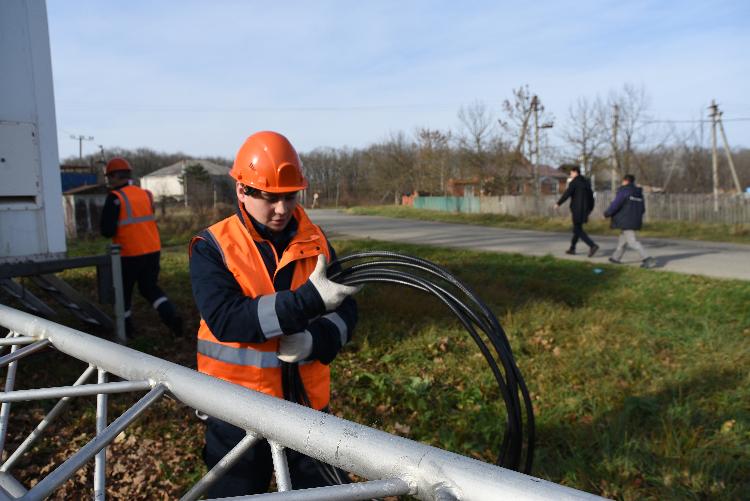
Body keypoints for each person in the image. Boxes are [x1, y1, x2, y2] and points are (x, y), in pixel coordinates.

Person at [189, 131, 360, 497]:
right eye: (270, 198)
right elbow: (226, 319)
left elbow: (346, 308)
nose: (282, 209)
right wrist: (307, 302)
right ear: (242, 191)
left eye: (289, 196)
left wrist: (318, 340)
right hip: (236, 414)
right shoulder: (213, 246)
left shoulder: (317, 241)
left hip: (308, 413)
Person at [100, 157, 183, 339]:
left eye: (109, 177)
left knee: (124, 293)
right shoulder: (145, 194)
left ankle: (126, 331)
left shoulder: (115, 198)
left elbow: (106, 231)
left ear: (114, 177)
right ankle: (171, 317)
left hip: (128, 254)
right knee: (149, 288)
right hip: (152, 250)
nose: (108, 181)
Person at [604, 174, 656, 268]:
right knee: (623, 240)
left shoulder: (624, 191)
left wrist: (607, 213)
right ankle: (615, 257)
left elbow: (616, 204)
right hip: (634, 219)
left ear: (625, 181)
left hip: (625, 219)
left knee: (632, 241)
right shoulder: (638, 193)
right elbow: (642, 209)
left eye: (622, 181)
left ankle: (647, 259)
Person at [554, 166, 599, 257]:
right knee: (578, 229)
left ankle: (592, 245)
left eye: (571, 173)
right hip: (585, 210)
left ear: (575, 172)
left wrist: (558, 203)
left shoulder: (574, 183)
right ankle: (572, 248)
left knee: (576, 229)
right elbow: (592, 197)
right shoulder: (586, 182)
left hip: (577, 210)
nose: (570, 175)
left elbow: (567, 194)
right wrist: (590, 209)